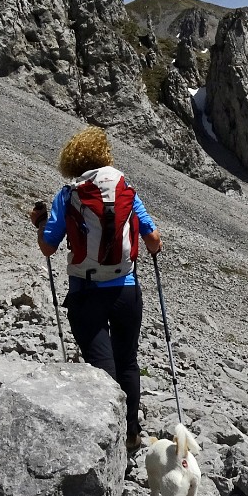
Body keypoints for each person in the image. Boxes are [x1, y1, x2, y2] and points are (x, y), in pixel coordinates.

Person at [30, 126, 163, 454]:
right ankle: (131, 435)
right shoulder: (125, 188)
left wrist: (39, 225)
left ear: (73, 161)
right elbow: (154, 240)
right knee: (128, 363)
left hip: (86, 293)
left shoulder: (69, 194)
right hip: (127, 290)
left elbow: (48, 247)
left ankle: (108, 442)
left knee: (103, 370)